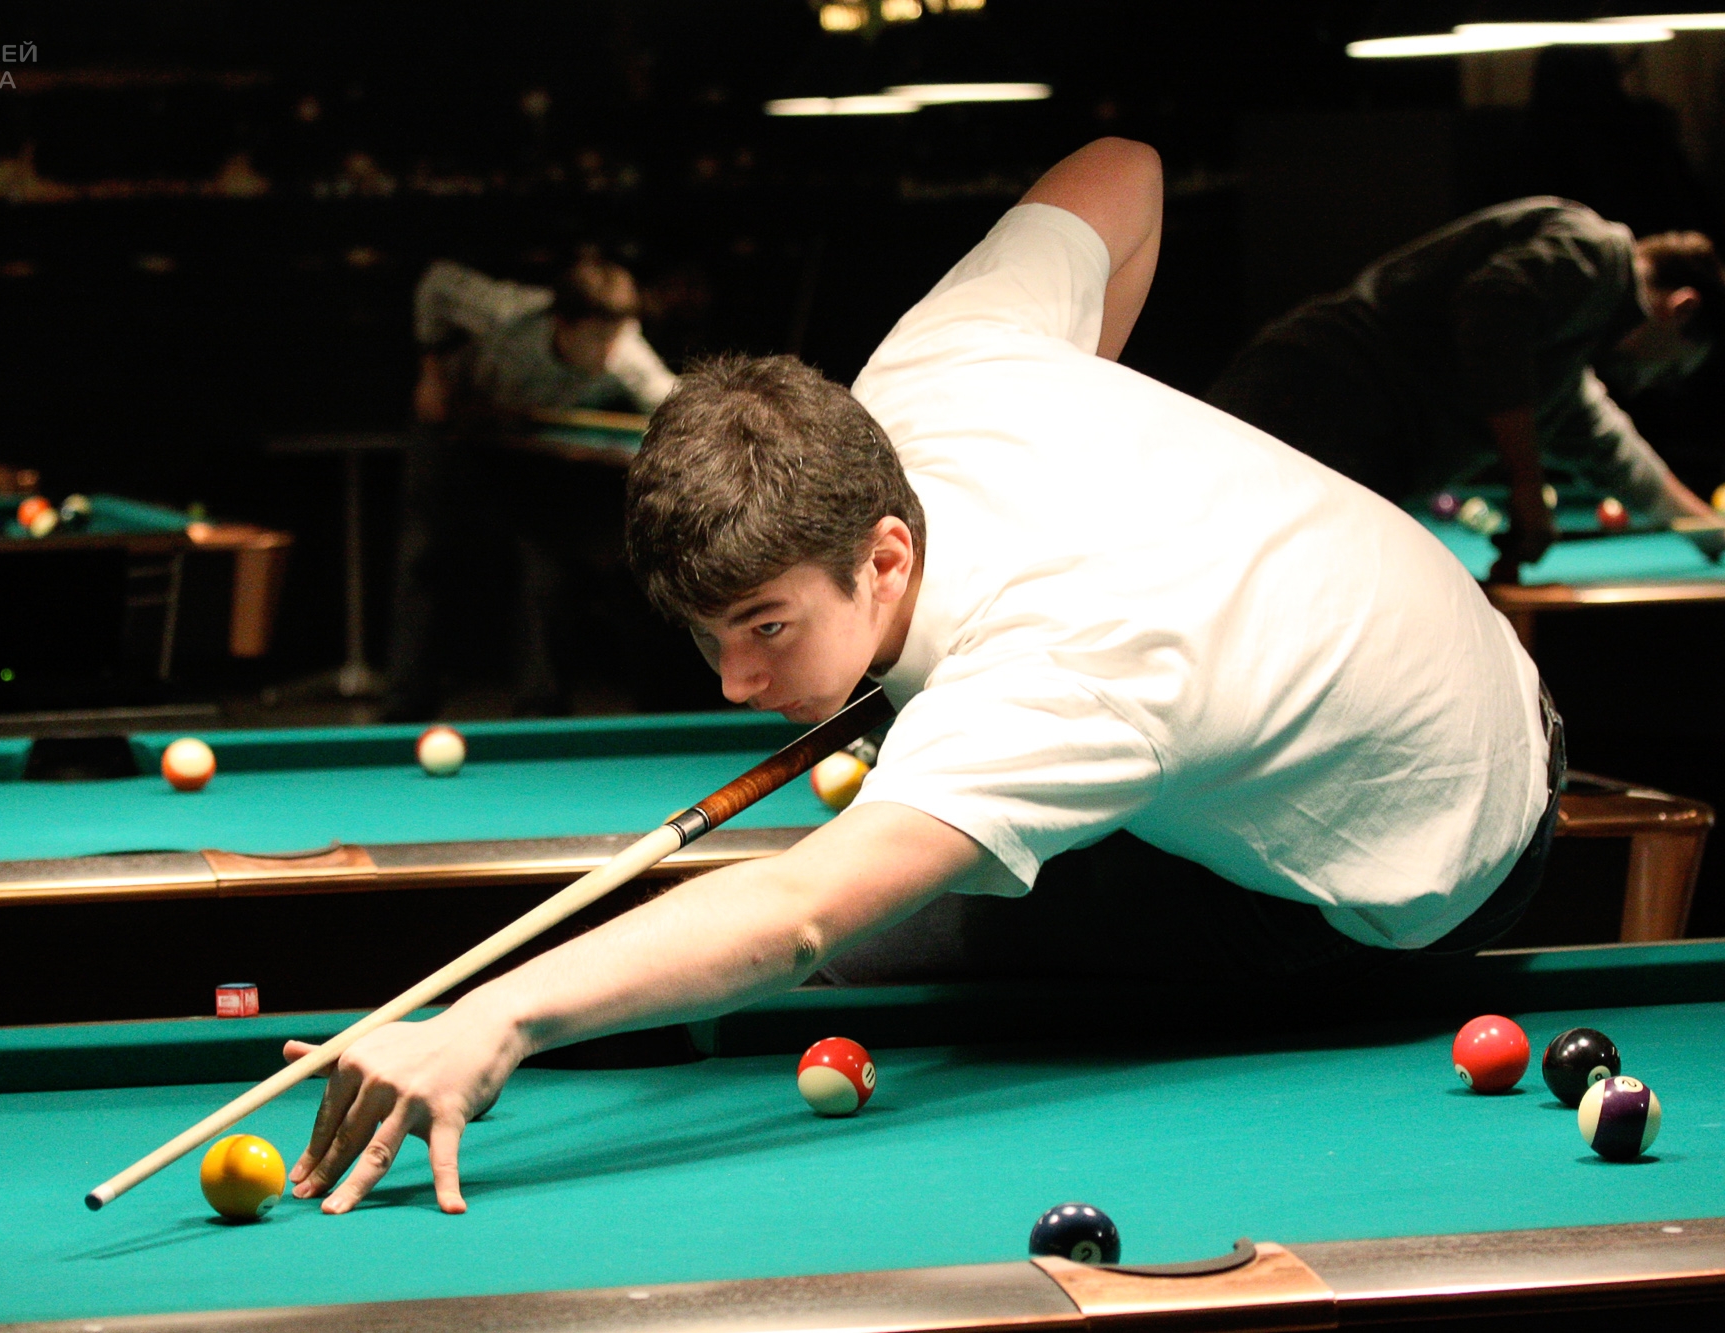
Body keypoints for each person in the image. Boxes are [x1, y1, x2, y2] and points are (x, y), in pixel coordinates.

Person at [286, 138, 1558, 1216]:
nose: (735, 683)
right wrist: (1075, 395)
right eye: (707, 634)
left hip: (1433, 857)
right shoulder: (939, 361)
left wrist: (492, 1020)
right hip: (1429, 664)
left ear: (885, 553)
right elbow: (1124, 169)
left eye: (765, 626)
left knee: (854, 961)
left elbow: (795, 915)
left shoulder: (1050, 670)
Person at [1206, 198, 1725, 569]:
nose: (1657, 379)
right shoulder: (1597, 252)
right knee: (1212, 561)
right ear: (1682, 309)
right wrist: (1526, 484)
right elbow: (1494, 308)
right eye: (1675, 365)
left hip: (1327, 419)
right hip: (1308, 397)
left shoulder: (1560, 368)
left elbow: (1620, 458)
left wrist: (1712, 533)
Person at [386, 254, 678, 718]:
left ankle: (541, 710)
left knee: (547, 563)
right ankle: (405, 707)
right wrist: (432, 373)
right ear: (562, 323)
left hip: (531, 447)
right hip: (457, 424)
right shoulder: (506, 313)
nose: (611, 351)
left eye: (618, 334)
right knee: (427, 557)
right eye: (598, 337)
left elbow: (675, 405)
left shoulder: (625, 351)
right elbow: (435, 283)